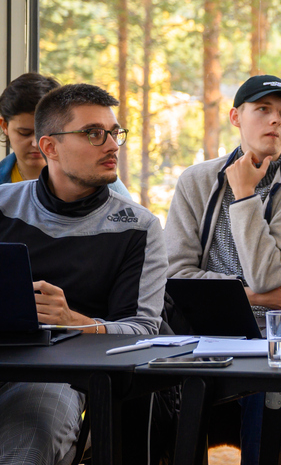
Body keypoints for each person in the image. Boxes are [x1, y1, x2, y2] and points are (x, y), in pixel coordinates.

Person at [0, 84, 166, 465]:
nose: (112, 146)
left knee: (25, 449)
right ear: (50, 147)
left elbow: (144, 331)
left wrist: (73, 321)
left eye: (114, 133)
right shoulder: (2, 207)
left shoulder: (138, 228)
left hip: (56, 378)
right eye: (94, 133)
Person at [164, 75, 281, 465]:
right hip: (199, 334)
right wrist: (250, 295)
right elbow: (176, 276)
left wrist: (245, 194)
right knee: (182, 431)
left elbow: (271, 276)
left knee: (263, 426)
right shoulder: (196, 180)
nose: (275, 121)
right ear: (235, 117)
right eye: (263, 109)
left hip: (271, 338)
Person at [0, 72, 129, 198]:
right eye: (25, 133)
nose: (36, 143)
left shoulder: (109, 188)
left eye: (43, 132)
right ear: (4, 126)